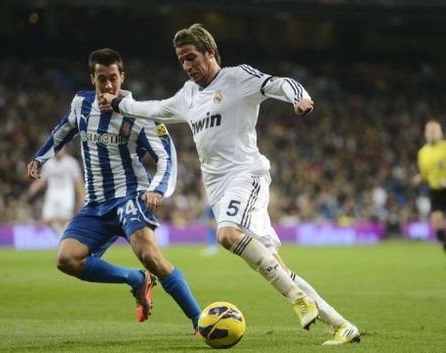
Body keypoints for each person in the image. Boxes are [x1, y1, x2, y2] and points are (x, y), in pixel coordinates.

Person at [98, 23, 360, 345]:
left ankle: (296, 298)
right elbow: (154, 109)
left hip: (247, 174)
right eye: (181, 60)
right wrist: (119, 103)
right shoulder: (189, 95)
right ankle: (342, 325)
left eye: (192, 57)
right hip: (218, 189)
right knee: (275, 265)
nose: (187, 65)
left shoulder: (236, 78)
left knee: (227, 234)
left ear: (210, 52)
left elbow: (279, 83)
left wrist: (300, 98)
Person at [27, 48, 201, 329]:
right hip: (96, 204)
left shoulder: (138, 113)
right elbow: (64, 129)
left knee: (150, 256)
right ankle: (135, 279)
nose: (108, 85)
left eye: (113, 79)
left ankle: (199, 321)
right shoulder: (80, 105)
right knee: (66, 259)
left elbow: (166, 155)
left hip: (129, 197)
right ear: (92, 79)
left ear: (123, 77)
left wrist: (158, 188)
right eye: (101, 79)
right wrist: (41, 157)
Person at [28, 147, 85, 235]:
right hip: (52, 193)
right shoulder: (49, 163)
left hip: (66, 193)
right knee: (47, 219)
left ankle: (66, 239)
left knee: (65, 219)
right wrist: (34, 187)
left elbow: (78, 181)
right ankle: (62, 235)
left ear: (65, 149)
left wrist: (82, 196)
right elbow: (43, 179)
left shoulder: (71, 163)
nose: (59, 151)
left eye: (61, 149)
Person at [417, 120, 446, 251]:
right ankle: (443, 241)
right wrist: (420, 178)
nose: (432, 133)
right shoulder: (422, 152)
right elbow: (424, 173)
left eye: (435, 130)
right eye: (430, 130)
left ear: (440, 132)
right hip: (435, 189)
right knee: (436, 217)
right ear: (425, 133)